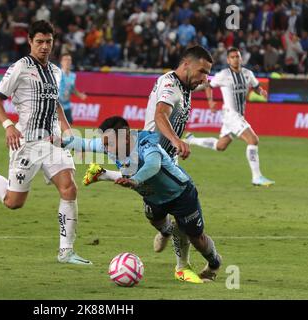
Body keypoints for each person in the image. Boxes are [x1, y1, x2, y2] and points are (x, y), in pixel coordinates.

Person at [0, 20, 91, 265]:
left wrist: (67, 129)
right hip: (26, 142)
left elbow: (55, 103)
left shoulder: (56, 72)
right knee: (13, 202)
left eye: (49, 41)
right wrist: (7, 126)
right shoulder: (20, 67)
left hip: (52, 140)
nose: (45, 46)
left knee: (69, 188)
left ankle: (66, 251)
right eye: (39, 42)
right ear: (29, 42)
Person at [81, 46, 214, 282]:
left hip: (165, 159)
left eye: (207, 73)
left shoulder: (186, 85)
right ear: (186, 64)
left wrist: (207, 84)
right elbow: (160, 115)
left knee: (177, 208)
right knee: (154, 212)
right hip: (148, 154)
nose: (204, 77)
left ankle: (183, 266)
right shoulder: (170, 85)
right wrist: (176, 140)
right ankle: (167, 234)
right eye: (202, 71)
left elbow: (200, 85)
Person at [64, 116, 222, 283]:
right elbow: (84, 143)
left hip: (180, 194)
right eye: (104, 143)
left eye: (109, 143)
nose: (106, 148)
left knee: (196, 238)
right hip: (153, 197)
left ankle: (212, 264)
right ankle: (168, 232)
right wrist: (59, 141)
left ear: (125, 137)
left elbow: (153, 165)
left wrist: (135, 180)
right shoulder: (110, 145)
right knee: (156, 221)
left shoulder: (146, 143)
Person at [184, 47, 274, 186]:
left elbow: (256, 86)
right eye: (232, 57)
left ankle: (192, 140)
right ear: (228, 60)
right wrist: (210, 101)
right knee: (253, 140)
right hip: (231, 115)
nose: (235, 59)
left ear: (241, 58)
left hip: (238, 115)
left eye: (237, 56)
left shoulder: (248, 73)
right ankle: (257, 177)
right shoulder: (223, 75)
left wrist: (261, 91)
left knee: (221, 146)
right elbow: (208, 85)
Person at [58, 53, 87, 124]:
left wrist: (80, 95)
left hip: (67, 106)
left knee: (69, 128)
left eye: (69, 60)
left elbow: (72, 89)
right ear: (61, 62)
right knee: (58, 129)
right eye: (65, 60)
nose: (67, 62)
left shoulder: (73, 75)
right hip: (57, 106)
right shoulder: (57, 74)